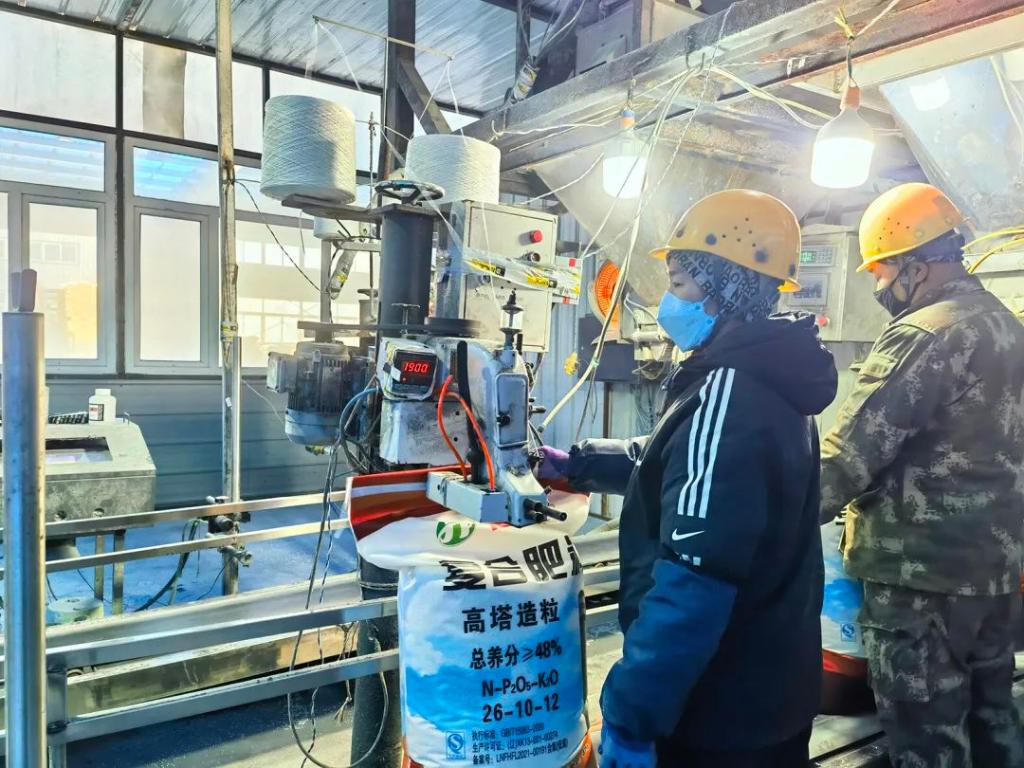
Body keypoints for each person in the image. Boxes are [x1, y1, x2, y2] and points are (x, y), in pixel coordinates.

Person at [539, 189, 838, 767]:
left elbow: (693, 583)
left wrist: (631, 713)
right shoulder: (771, 376)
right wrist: (578, 464)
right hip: (770, 694)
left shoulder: (731, 392)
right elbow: (680, 464)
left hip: (716, 713)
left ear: (726, 287)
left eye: (679, 283)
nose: (667, 302)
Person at [818, 182, 1024, 768]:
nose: (879, 286)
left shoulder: (923, 333)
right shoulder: (1007, 327)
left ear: (916, 265)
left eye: (882, 272)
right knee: (992, 719)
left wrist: (766, 519)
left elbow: (850, 456)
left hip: (921, 582)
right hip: (993, 572)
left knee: (927, 738)